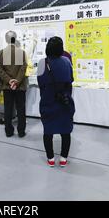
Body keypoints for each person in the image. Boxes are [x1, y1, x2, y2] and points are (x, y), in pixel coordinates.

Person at [37, 37, 75, 168]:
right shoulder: (66, 61)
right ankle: (63, 158)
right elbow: (71, 80)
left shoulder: (42, 63)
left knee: (48, 131)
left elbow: (40, 83)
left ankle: (51, 158)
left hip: (48, 101)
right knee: (66, 131)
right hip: (65, 101)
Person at [0, 31, 28, 138]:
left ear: (6, 40)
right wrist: (17, 81)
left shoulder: (1, 53)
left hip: (7, 86)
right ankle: (21, 131)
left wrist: (9, 80)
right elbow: (23, 68)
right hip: (20, 86)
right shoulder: (21, 52)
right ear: (15, 38)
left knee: (8, 109)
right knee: (21, 109)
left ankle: (8, 131)